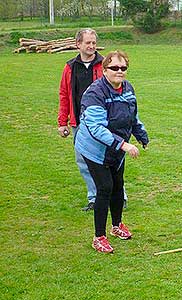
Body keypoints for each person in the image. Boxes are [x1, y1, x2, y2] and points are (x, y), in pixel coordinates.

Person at [74, 50, 149, 253]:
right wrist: (123, 144)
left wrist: (141, 134)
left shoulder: (127, 88)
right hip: (94, 148)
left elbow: (132, 115)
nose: (119, 71)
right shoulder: (95, 93)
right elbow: (96, 128)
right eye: (114, 68)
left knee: (118, 185)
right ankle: (99, 237)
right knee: (105, 187)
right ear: (105, 69)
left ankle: (117, 226)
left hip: (116, 149)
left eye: (123, 68)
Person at [57, 28, 128, 211]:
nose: (91, 46)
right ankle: (94, 198)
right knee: (84, 162)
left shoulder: (105, 64)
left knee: (112, 161)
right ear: (78, 44)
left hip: (104, 122)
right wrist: (62, 122)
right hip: (80, 123)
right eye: (87, 43)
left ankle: (119, 197)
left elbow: (120, 89)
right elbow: (64, 94)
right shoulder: (70, 67)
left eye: (94, 43)